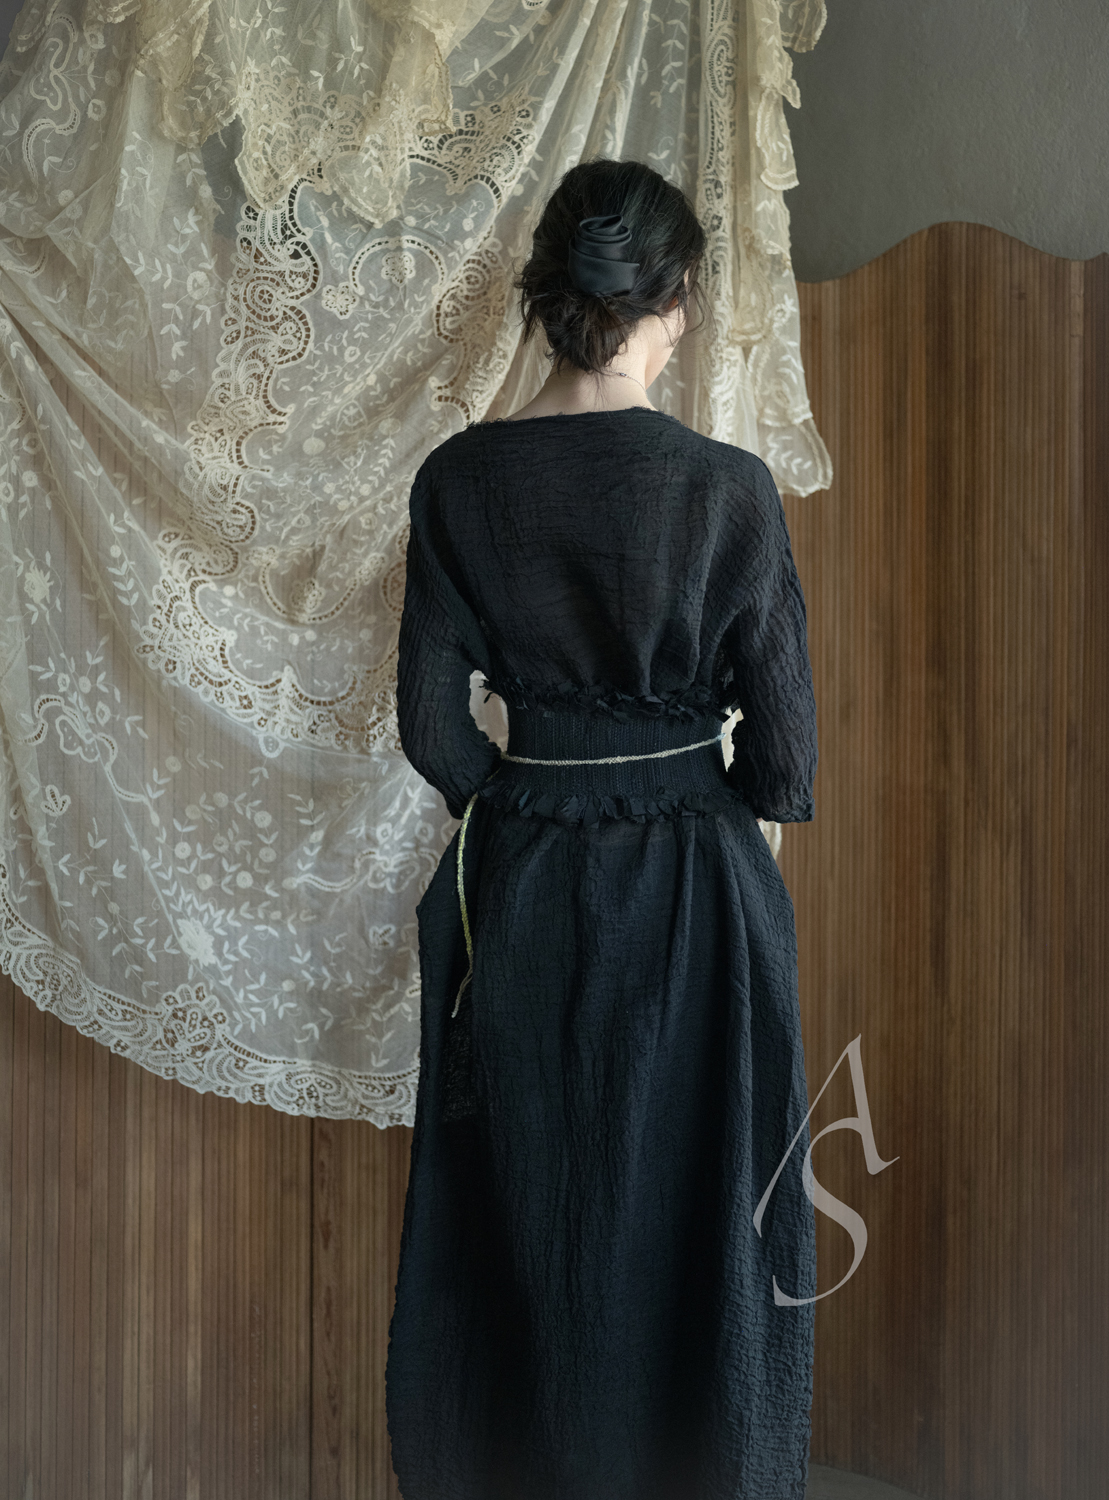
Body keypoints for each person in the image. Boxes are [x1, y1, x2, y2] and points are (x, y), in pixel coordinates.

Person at [387, 157, 819, 1500]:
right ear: (671, 300)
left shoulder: (457, 482)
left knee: (528, 1200)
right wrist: (696, 797)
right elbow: (786, 763)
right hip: (696, 890)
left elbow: (433, 731)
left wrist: (527, 799)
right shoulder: (729, 490)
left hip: (522, 882)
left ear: (549, 294)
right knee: (709, 1213)